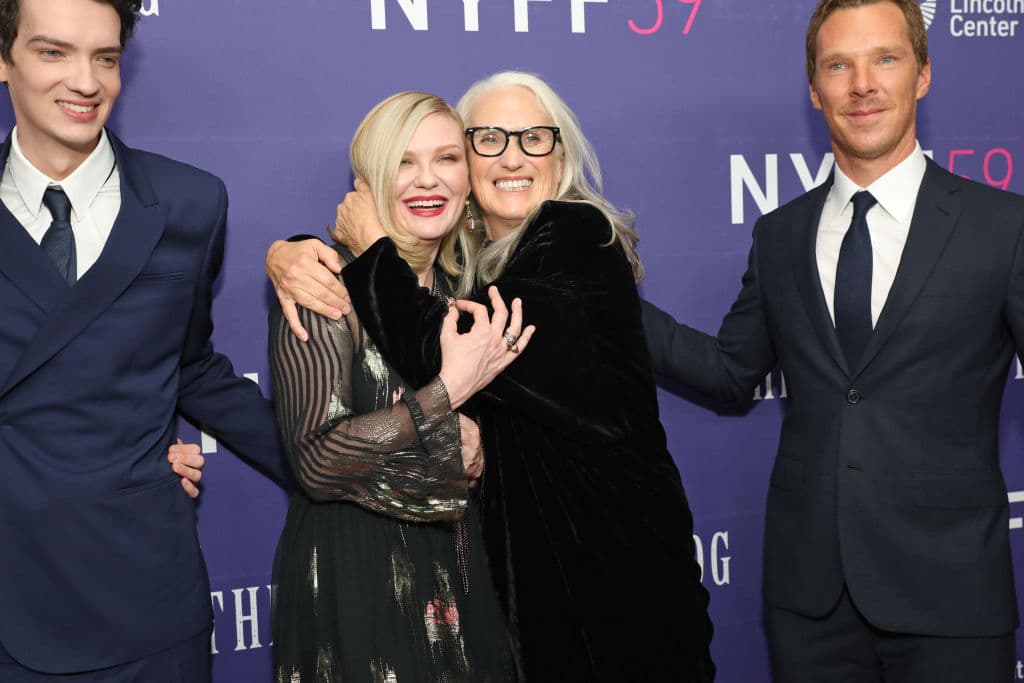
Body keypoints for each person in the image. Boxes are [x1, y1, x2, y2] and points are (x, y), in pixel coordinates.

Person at [267, 71, 715, 681]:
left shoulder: (574, 240)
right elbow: (322, 455)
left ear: (561, 157)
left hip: (613, 593)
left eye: (533, 137)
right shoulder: (469, 275)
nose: (512, 157)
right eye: (488, 139)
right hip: (434, 588)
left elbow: (442, 346)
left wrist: (369, 250)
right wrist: (293, 252)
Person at [639, 0, 1024, 680]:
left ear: (923, 74)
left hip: (952, 596)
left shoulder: (1002, 226)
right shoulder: (780, 234)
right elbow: (729, 373)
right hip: (810, 604)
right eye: (839, 65)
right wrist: (604, 301)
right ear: (815, 89)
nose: (863, 85)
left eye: (885, 59)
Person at [0, 0, 289, 680]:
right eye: (53, 52)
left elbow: (188, 365)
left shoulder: (190, 202)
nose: (85, 82)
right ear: (3, 58)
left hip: (144, 597)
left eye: (104, 58)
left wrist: (339, 465)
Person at [269, 91, 526, 683]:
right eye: (403, 161)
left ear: (468, 179)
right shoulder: (323, 284)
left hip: (466, 570)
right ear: (367, 182)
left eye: (446, 158)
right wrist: (445, 395)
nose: (427, 179)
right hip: (359, 578)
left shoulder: (472, 289)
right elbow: (319, 461)